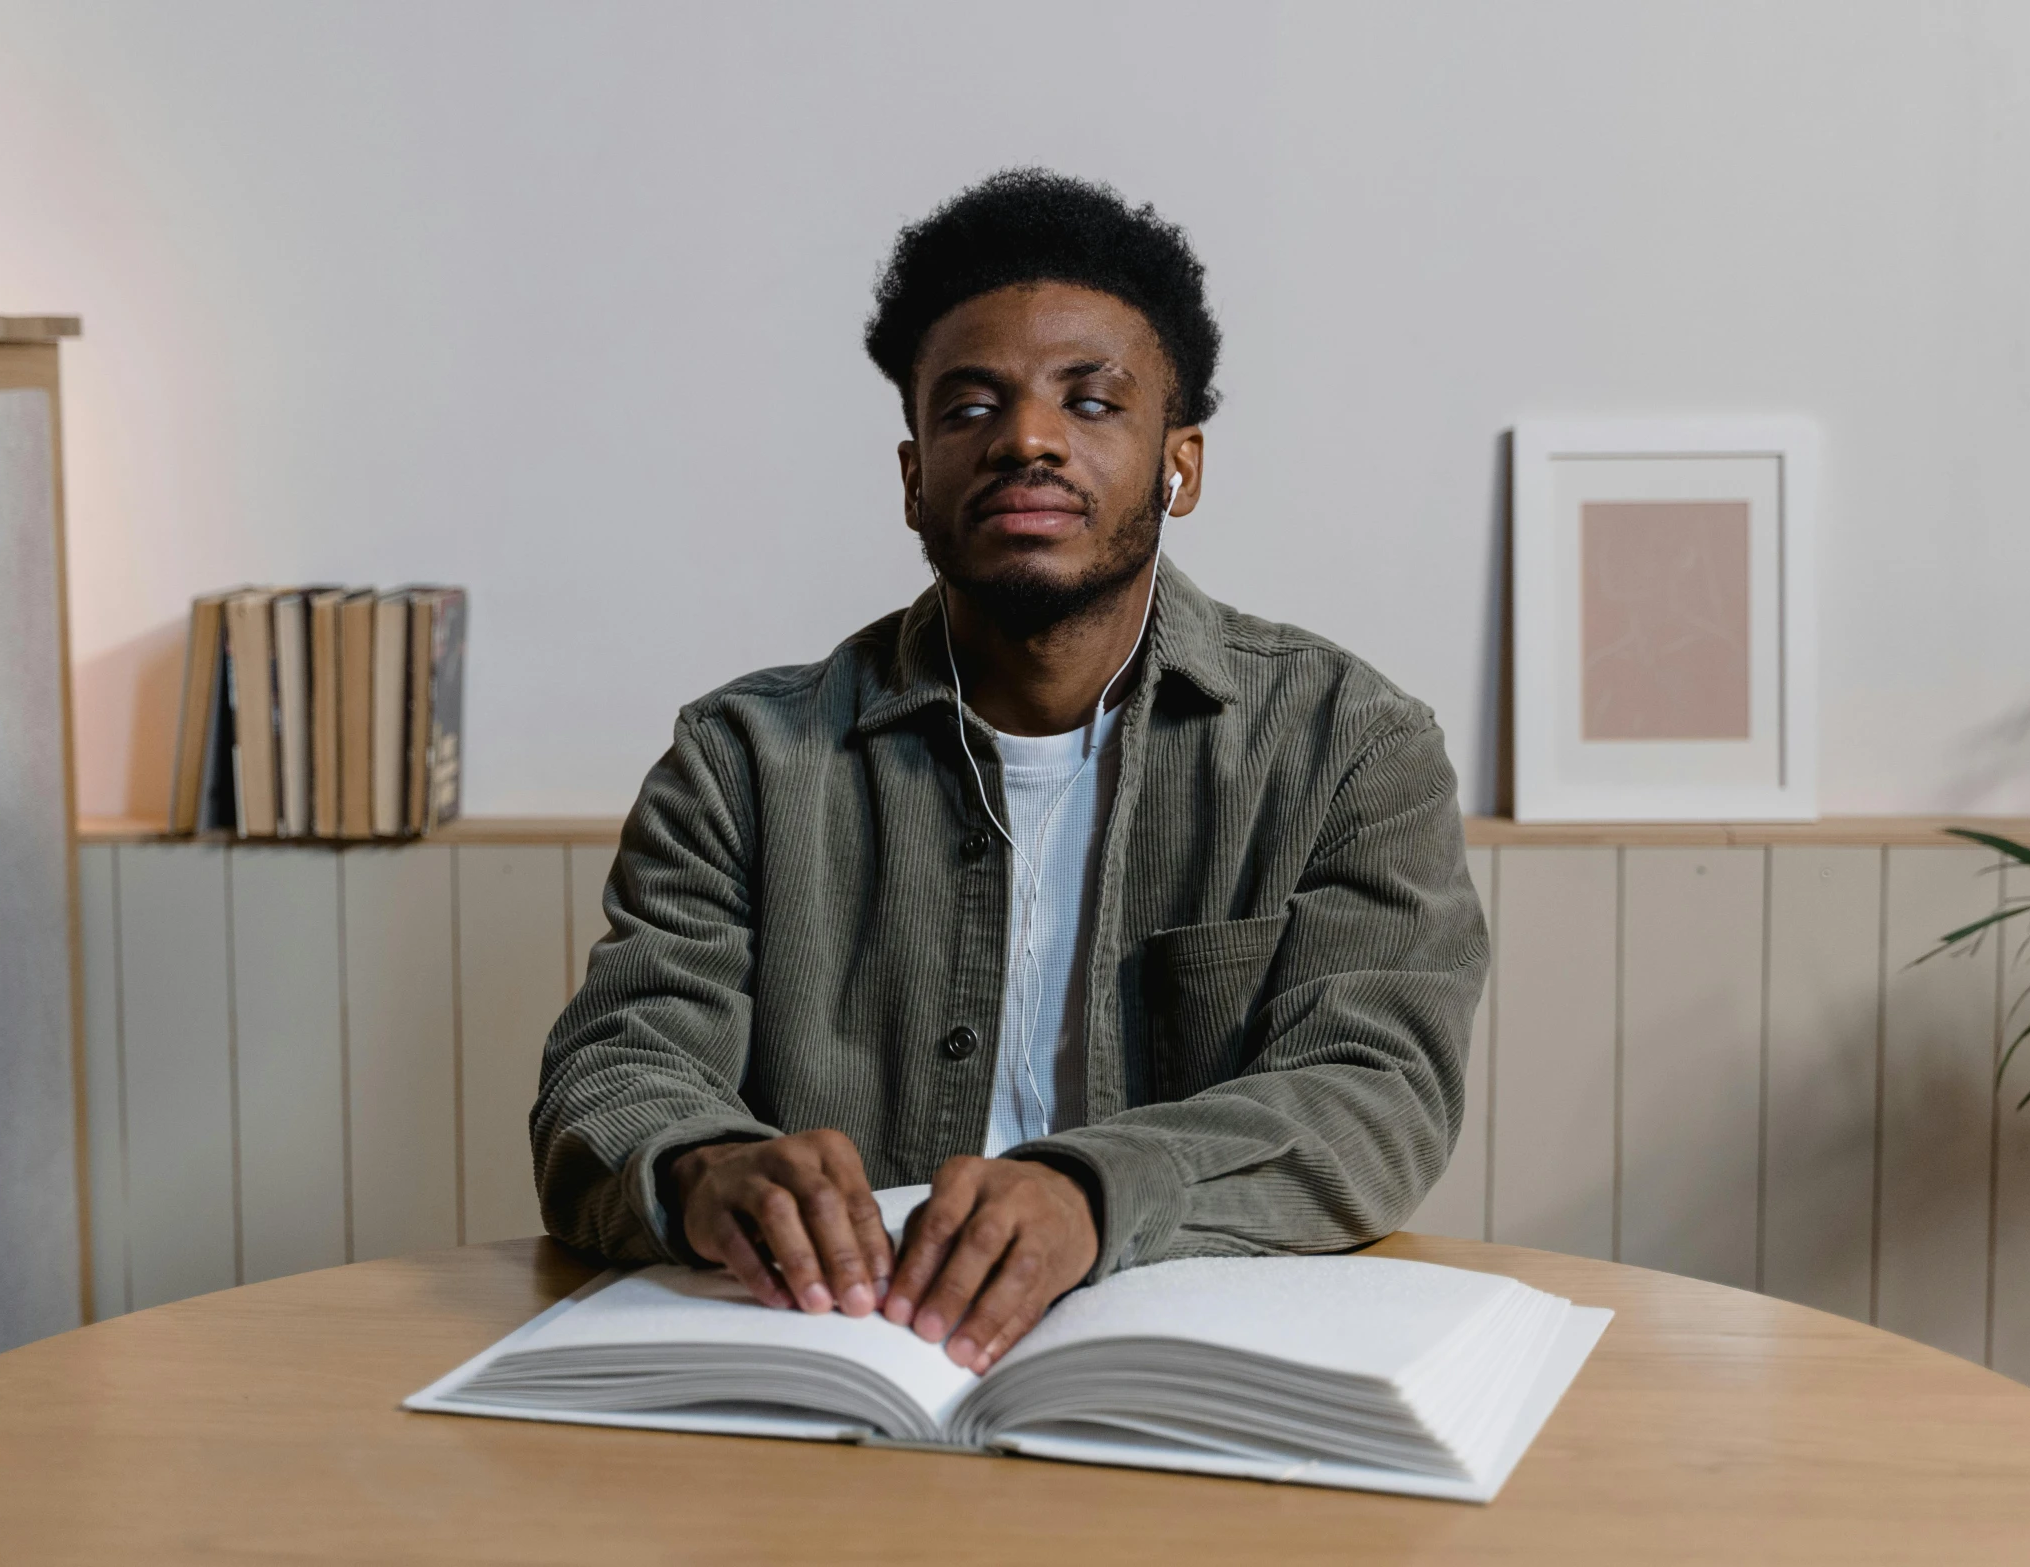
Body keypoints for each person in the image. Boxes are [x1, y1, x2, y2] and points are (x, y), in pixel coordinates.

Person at [534, 168, 1488, 1375]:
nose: (1026, 438)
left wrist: (1091, 1194)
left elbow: (1375, 1097)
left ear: (1179, 466)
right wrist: (704, 1168)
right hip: (833, 1368)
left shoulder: (1349, 744)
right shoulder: (742, 761)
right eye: (970, 407)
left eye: (1089, 403)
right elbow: (616, 1069)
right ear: (913, 476)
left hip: (1191, 1367)